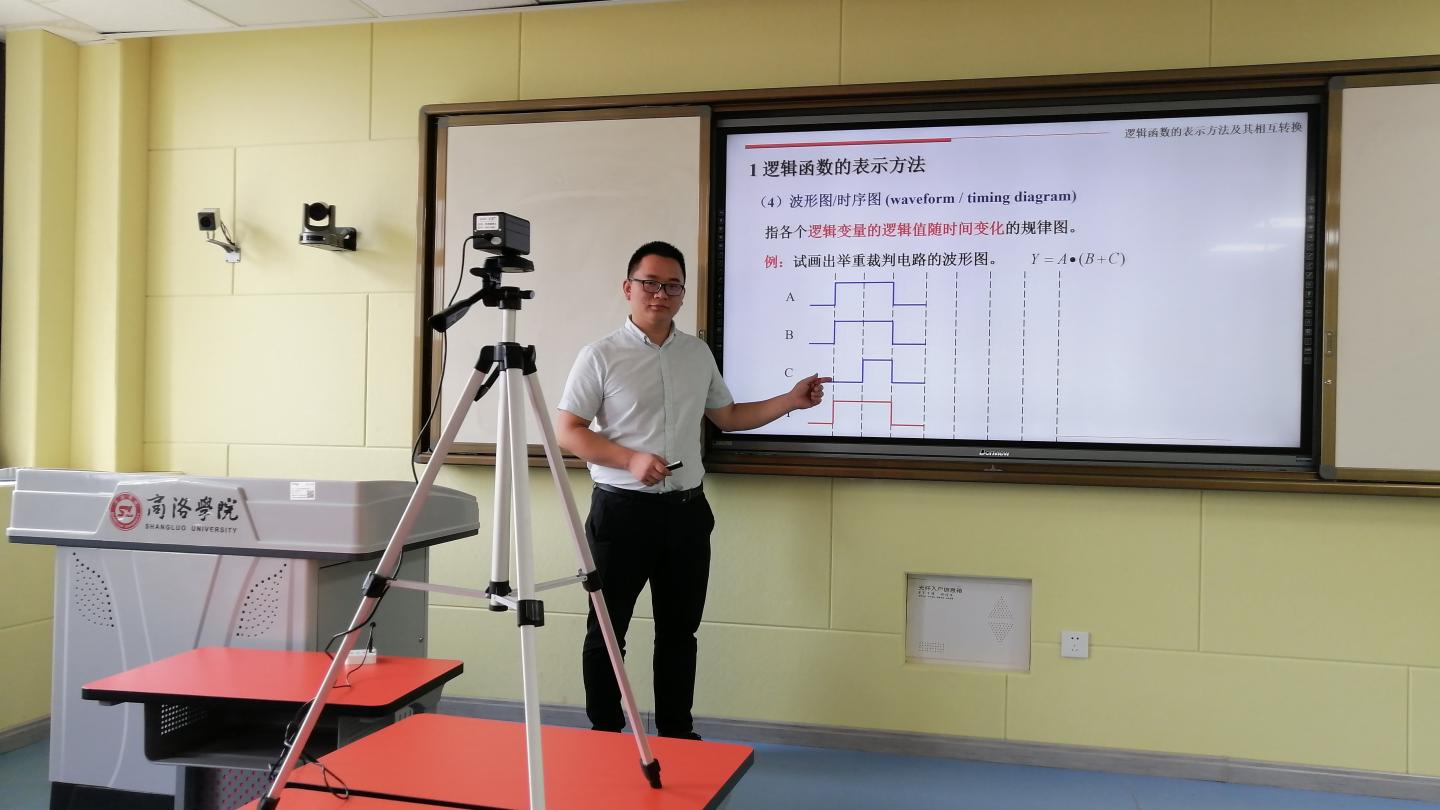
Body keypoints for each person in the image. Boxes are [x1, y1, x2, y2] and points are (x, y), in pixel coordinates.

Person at [556, 241, 828, 740]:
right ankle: (605, 737)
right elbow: (568, 431)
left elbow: (729, 416)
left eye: (672, 286)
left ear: (682, 294)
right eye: (649, 283)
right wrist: (630, 459)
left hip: (685, 513)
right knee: (608, 633)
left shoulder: (696, 353)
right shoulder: (600, 355)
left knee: (680, 633)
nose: (660, 294)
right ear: (628, 288)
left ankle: (678, 735)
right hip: (621, 513)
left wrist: (790, 401)